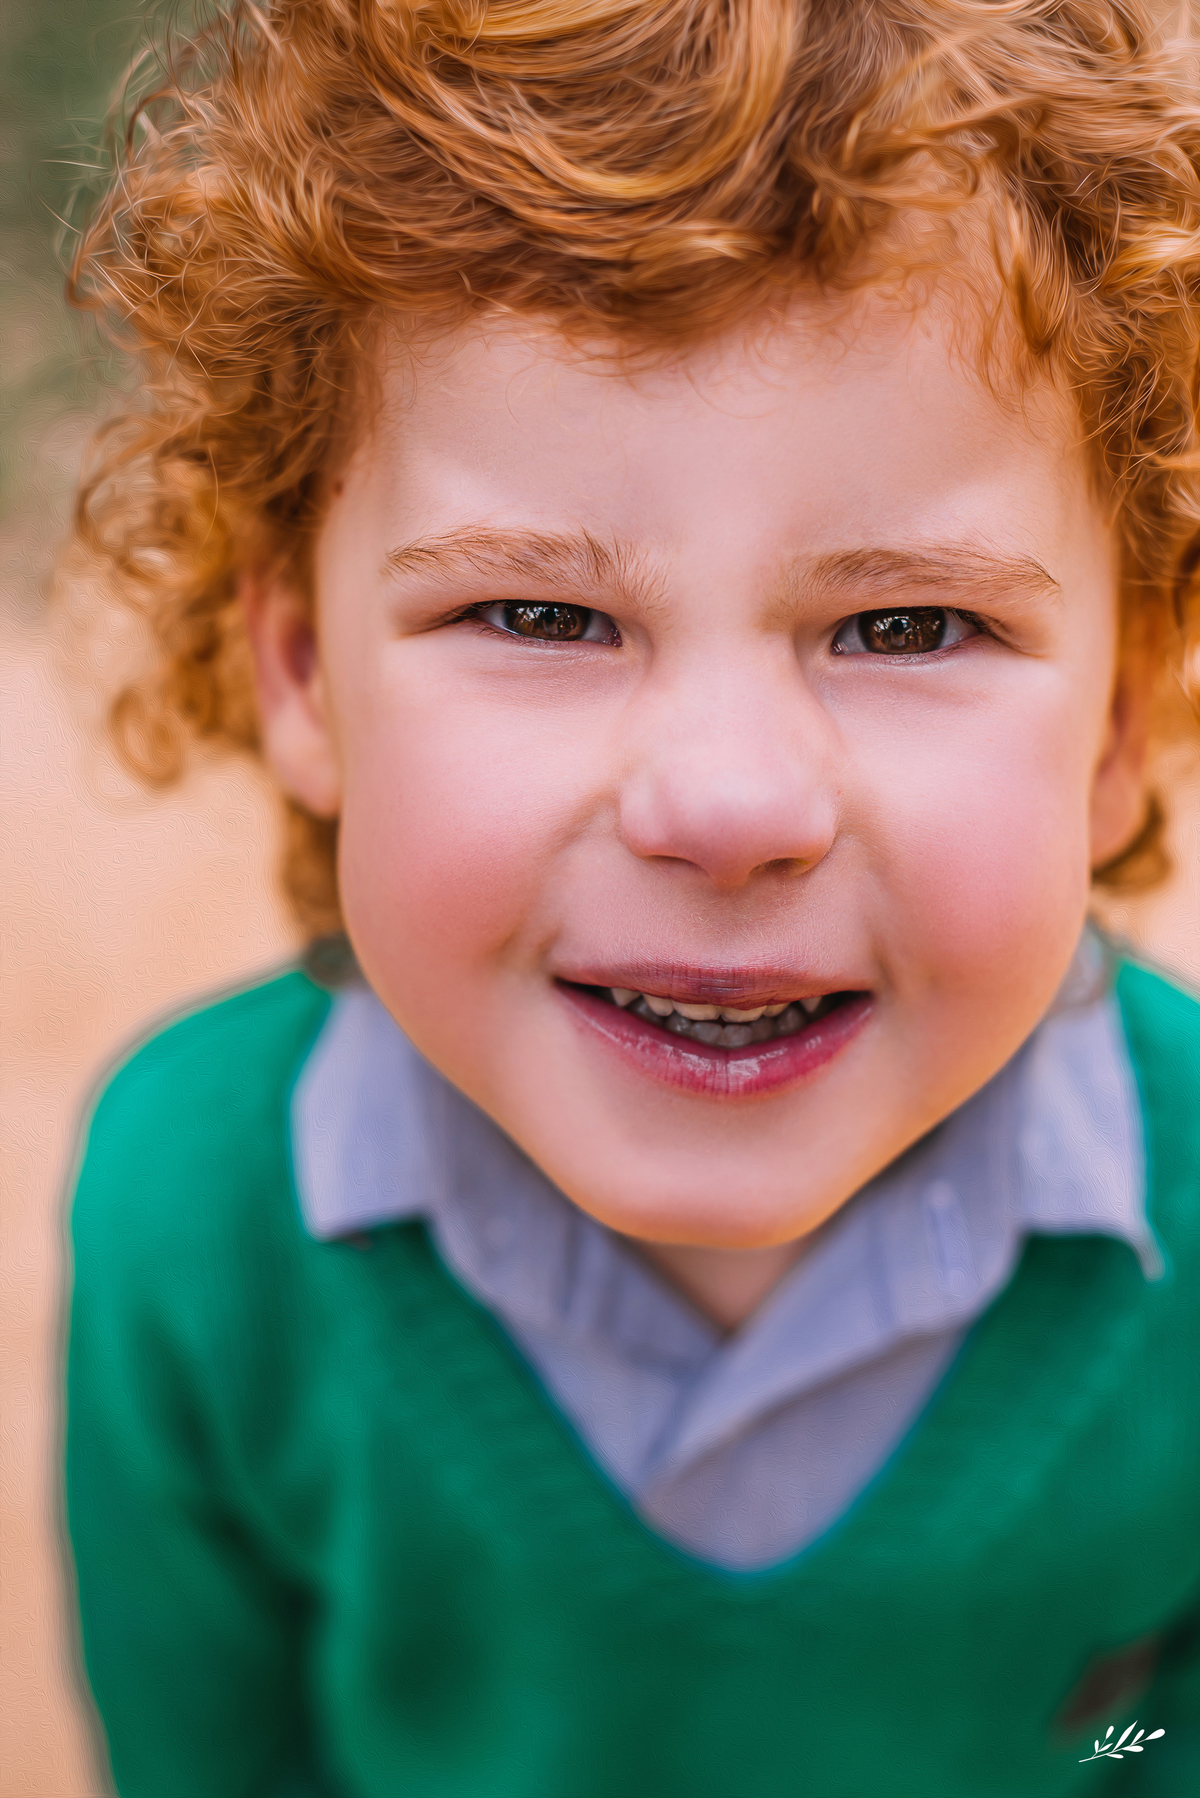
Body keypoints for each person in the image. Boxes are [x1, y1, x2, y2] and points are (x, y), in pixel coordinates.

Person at [62, 1, 1200, 1793]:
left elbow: (1156, 1736)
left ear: (1125, 720)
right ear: (298, 671)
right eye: (539, 615)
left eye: (909, 625)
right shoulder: (192, 1213)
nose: (729, 804)